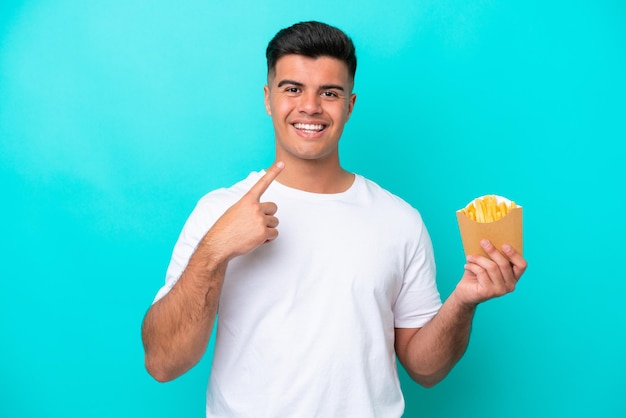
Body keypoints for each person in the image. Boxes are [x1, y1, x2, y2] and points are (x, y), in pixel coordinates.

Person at [141, 21, 527, 417]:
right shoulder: (218, 211)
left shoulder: (399, 220)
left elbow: (425, 369)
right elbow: (163, 363)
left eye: (329, 92)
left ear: (349, 105)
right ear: (268, 99)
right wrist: (216, 249)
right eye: (292, 89)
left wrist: (463, 301)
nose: (310, 106)